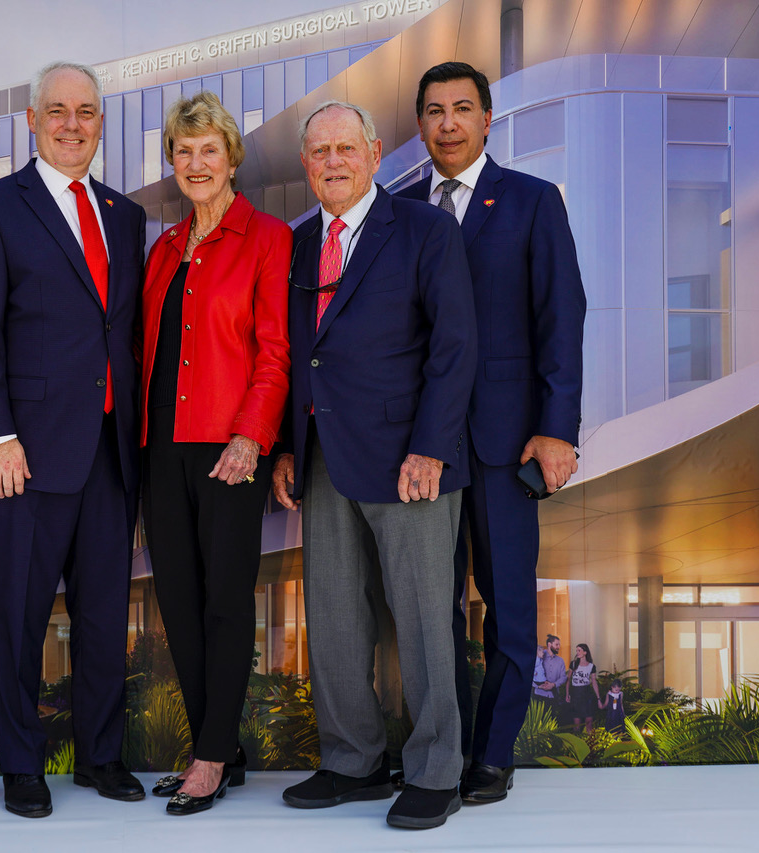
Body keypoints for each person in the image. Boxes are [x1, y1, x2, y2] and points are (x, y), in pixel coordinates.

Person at [0, 60, 147, 820]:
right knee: (22, 617)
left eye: (87, 111)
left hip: (109, 449)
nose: (73, 123)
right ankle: (23, 765)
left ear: (102, 122)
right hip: (22, 453)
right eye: (58, 110)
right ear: (31, 120)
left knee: (102, 615)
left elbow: (117, 333)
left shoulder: (124, 216)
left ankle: (100, 756)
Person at [272, 100, 476, 831]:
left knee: (423, 618)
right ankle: (352, 761)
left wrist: (430, 446)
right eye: (319, 150)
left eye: (345, 148)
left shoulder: (424, 229)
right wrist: (288, 445)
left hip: (408, 460)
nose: (332, 161)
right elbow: (299, 356)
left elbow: (455, 347)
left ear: (375, 151)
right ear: (306, 163)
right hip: (322, 457)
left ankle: (435, 773)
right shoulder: (296, 245)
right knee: (332, 617)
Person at [395, 61, 586, 804]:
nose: (447, 123)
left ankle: (493, 752)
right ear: (420, 124)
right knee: (429, 605)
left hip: (508, 440)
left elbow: (560, 319)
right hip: (423, 444)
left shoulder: (534, 202)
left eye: (462, 109)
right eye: (435, 110)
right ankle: (440, 747)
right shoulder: (399, 209)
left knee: (506, 600)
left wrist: (556, 428)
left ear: (486, 118)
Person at [138, 91, 291, 816]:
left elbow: (275, 350)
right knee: (180, 603)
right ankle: (217, 745)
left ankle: (208, 755)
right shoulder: (163, 248)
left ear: (231, 157)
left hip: (230, 452)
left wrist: (251, 434)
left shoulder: (267, 237)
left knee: (226, 604)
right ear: (173, 161)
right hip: (160, 451)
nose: (196, 164)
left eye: (209, 150)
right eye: (184, 151)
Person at [565, 643, 600, 733]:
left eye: (579, 650)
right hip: (576, 694)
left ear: (585, 652)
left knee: (589, 724)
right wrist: (567, 694)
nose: (577, 652)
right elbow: (568, 680)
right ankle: (576, 744)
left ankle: (590, 744)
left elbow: (594, 681)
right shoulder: (573, 664)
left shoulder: (591, 666)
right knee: (576, 725)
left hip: (587, 694)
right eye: (576, 650)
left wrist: (598, 698)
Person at [533, 635, 567, 707]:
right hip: (538, 696)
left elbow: (563, 677)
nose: (559, 647)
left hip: (553, 696)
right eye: (556, 644)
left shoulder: (560, 661)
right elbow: (529, 675)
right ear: (549, 644)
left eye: (559, 645)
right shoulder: (538, 656)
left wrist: (553, 685)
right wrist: (538, 686)